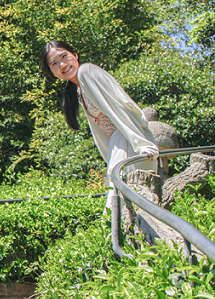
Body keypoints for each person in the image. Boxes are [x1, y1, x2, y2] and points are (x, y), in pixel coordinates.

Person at [40, 41, 159, 208]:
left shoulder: (86, 72)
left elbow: (120, 108)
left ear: (75, 54)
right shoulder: (79, 90)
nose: (62, 64)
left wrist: (142, 144)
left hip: (131, 144)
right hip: (120, 146)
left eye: (64, 56)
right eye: (54, 63)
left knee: (119, 207)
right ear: (52, 73)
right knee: (123, 209)